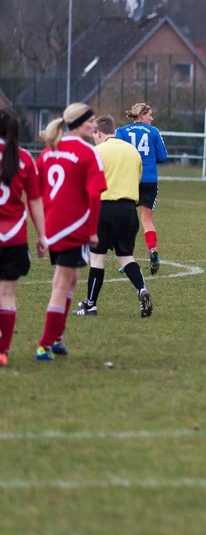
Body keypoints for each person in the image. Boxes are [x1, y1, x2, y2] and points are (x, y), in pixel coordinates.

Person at [35, 103, 107, 360]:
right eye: (91, 121)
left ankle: (56, 338)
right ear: (79, 123)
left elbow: (39, 193)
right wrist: (92, 230)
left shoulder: (47, 152)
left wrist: (43, 230)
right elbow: (95, 195)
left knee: (72, 278)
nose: (95, 125)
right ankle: (44, 344)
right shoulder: (88, 153)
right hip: (73, 227)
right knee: (62, 282)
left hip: (54, 227)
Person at [74, 116, 153, 319]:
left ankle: (90, 305)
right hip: (128, 210)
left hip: (104, 209)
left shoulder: (97, 152)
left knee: (97, 258)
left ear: (99, 133)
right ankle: (141, 289)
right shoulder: (132, 151)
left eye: (94, 135)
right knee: (126, 256)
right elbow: (138, 178)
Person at [0, 109, 46, 368]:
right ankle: (3, 350)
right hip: (14, 237)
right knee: (6, 296)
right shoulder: (26, 160)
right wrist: (42, 235)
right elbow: (35, 200)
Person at [115, 102, 167, 274]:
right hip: (149, 179)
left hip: (130, 179)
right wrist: (149, 158)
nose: (152, 118)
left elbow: (118, 153)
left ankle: (125, 260)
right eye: (150, 115)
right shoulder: (153, 132)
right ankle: (152, 249)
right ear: (142, 115)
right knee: (146, 220)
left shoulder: (121, 131)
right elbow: (163, 156)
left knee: (125, 220)